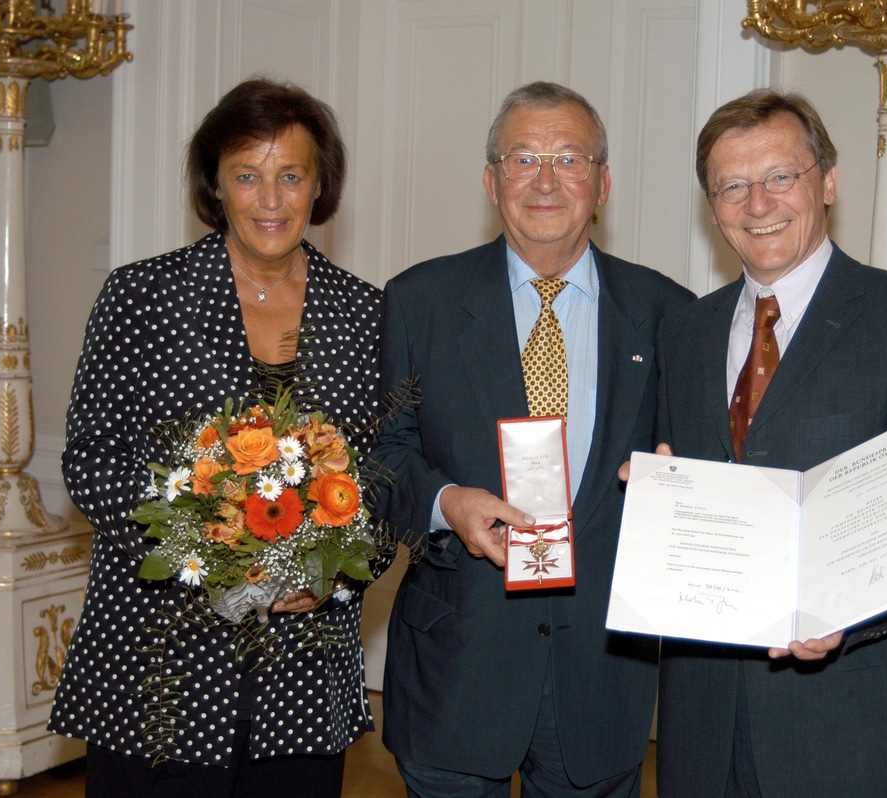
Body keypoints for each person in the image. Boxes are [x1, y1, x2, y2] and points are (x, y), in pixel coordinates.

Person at [49, 78, 384, 797]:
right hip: (159, 660)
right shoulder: (141, 296)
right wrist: (207, 546)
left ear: (318, 186)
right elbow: (91, 460)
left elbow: (387, 478)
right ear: (216, 185)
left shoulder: (366, 314)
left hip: (300, 671)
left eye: (290, 175)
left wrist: (334, 573)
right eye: (247, 175)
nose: (271, 199)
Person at [369, 81, 693, 795]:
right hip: (457, 669)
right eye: (522, 159)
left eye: (569, 159)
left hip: (604, 680)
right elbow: (382, 458)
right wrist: (446, 502)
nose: (545, 180)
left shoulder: (670, 314)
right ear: (491, 182)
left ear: (603, 183)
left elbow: (693, 473)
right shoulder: (418, 301)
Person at [653, 89, 887, 797]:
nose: (758, 203)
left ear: (827, 182)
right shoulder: (682, 334)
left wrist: (844, 620)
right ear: (712, 209)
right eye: (732, 185)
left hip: (845, 726)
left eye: (781, 176)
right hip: (700, 726)